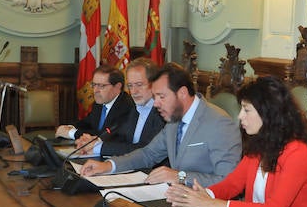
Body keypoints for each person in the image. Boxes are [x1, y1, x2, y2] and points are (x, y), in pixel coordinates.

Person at [165, 76, 307, 207]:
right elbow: (232, 184)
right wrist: (200, 195)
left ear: (268, 113)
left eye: (246, 110)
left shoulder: (298, 154)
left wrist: (210, 204)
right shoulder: (260, 146)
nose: (240, 117)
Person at [80, 62, 241, 187]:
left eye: (161, 97)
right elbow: (147, 154)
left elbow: (228, 181)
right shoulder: (174, 119)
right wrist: (108, 166)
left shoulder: (219, 124)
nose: (156, 104)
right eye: (155, 97)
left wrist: (180, 177)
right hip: (175, 197)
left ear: (182, 93)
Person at [73, 58, 164, 157]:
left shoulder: (162, 112)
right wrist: (94, 141)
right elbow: (120, 137)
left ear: (154, 84)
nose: (134, 91)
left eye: (139, 85)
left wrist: (98, 148)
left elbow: (145, 149)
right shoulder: (134, 108)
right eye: (130, 86)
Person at [55, 64, 135, 145]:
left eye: (101, 86)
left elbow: (105, 135)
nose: (95, 90)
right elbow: (87, 123)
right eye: (94, 85)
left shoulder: (127, 107)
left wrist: (71, 133)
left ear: (117, 87)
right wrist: (68, 127)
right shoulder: (99, 103)